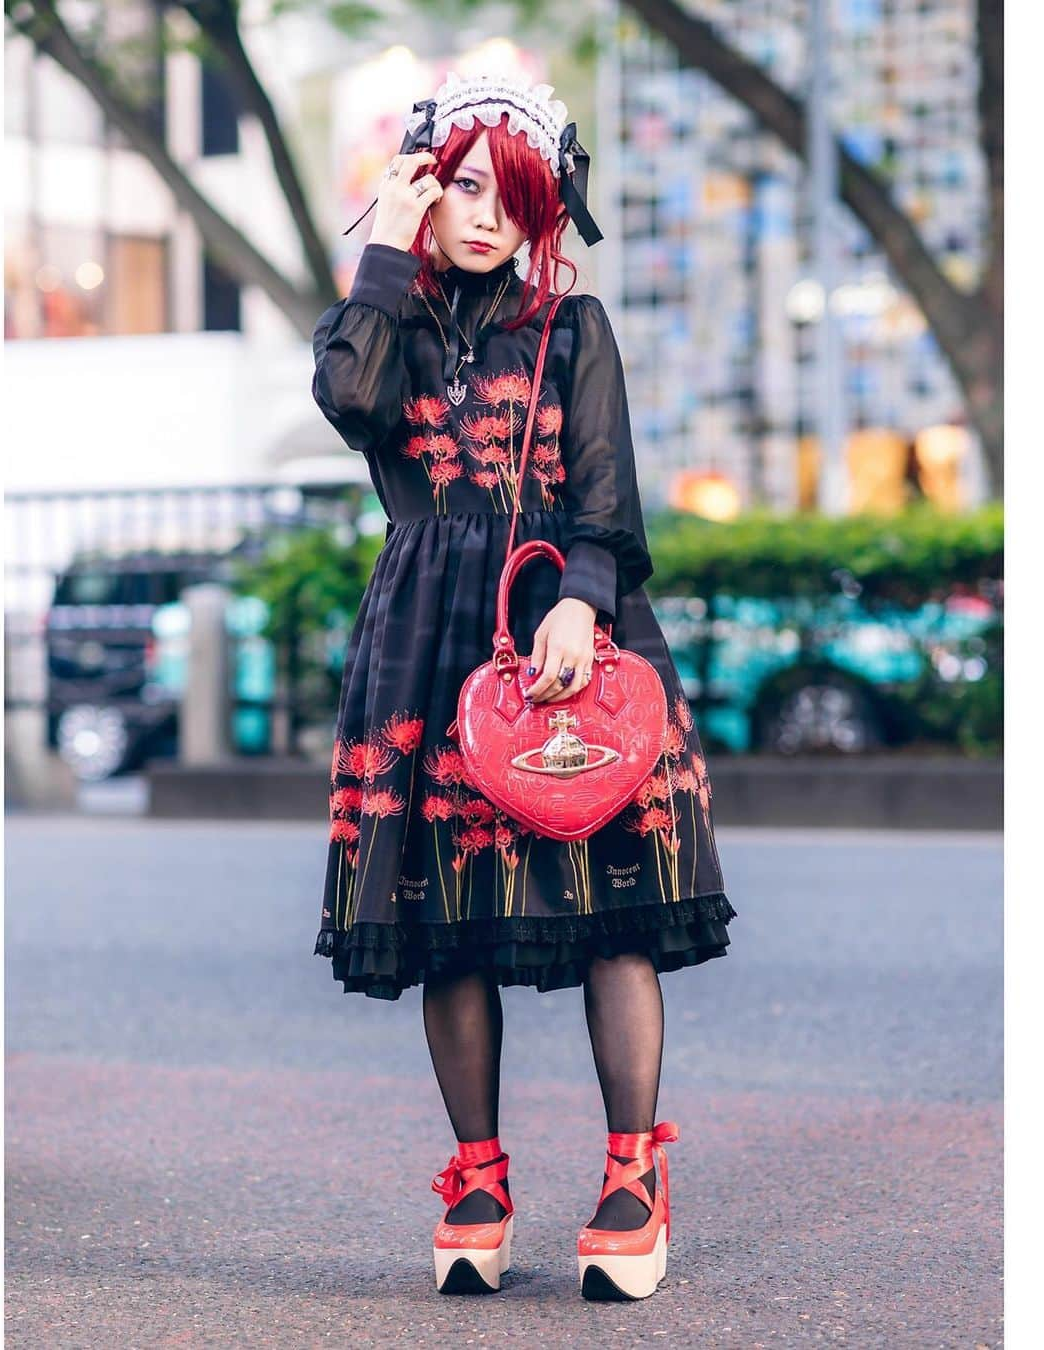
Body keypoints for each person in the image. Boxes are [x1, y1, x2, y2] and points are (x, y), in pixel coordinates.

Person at [310, 71, 737, 1302]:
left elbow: (608, 492)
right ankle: (479, 1178)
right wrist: (384, 247)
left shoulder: (573, 324)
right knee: (448, 921)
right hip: (431, 642)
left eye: (514, 195)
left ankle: (631, 1175)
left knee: (611, 910)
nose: (486, 215)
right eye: (461, 189)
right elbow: (350, 399)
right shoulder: (378, 321)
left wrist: (576, 596)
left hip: (568, 627)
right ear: (422, 193)